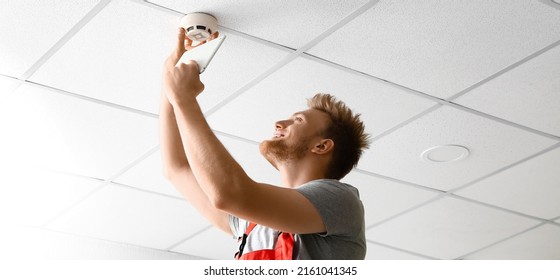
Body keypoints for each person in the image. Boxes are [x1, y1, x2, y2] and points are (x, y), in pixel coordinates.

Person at [160, 27, 371, 260]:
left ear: (321, 146)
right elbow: (176, 168)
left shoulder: (340, 201)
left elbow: (228, 195)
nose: (280, 123)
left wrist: (183, 98)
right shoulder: (249, 223)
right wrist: (170, 81)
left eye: (297, 120)